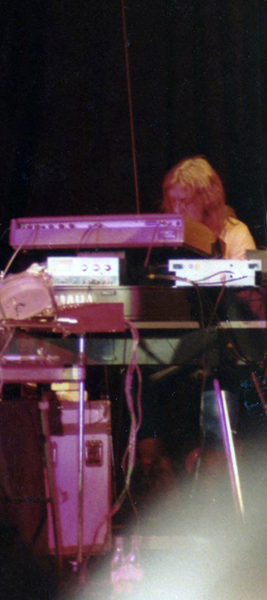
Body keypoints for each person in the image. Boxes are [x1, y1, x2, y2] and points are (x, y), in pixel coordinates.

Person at [138, 156, 257, 505]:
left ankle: (212, 493)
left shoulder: (235, 234)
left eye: (182, 201)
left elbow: (241, 294)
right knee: (138, 370)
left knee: (221, 377)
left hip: (224, 351)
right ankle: (159, 483)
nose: (173, 209)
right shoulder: (163, 238)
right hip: (176, 348)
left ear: (206, 201)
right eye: (170, 201)